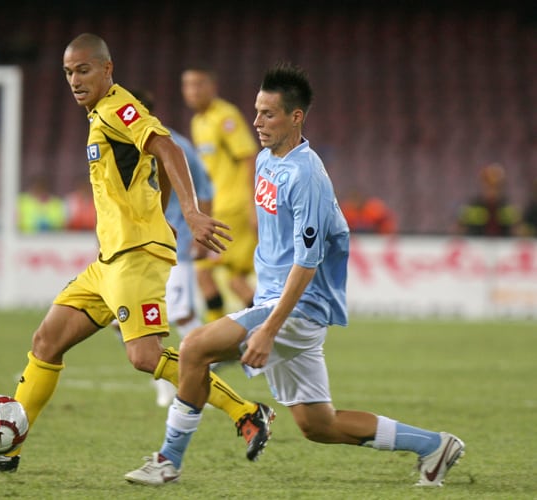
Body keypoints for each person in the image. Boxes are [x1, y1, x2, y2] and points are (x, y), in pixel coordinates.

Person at [125, 63, 465, 488]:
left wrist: (268, 328)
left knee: (193, 347)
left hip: (296, 307)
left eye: (269, 114)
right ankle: (434, 445)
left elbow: (308, 261)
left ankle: (168, 461)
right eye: (256, 111)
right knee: (318, 424)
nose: (257, 122)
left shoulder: (306, 175)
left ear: (296, 117)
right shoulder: (268, 159)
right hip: (277, 300)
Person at [0, 33, 275, 473]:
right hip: (109, 261)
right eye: (68, 72)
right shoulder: (98, 115)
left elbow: (167, 146)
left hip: (135, 257)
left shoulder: (120, 108)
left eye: (83, 70)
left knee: (144, 355)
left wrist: (192, 214)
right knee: (47, 341)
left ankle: (246, 412)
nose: (74, 80)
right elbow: (150, 167)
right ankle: (8, 448)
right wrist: (155, 214)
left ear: (107, 69)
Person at [131, 88, 214, 407]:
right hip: (134, 248)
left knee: (180, 315)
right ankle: (168, 383)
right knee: (122, 318)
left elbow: (205, 187)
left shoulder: (176, 145)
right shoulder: (118, 145)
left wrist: (199, 229)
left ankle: (207, 368)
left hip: (173, 246)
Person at [181, 64, 259, 322]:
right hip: (214, 210)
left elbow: (249, 157)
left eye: (198, 84)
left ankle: (269, 330)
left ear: (212, 87)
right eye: (187, 85)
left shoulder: (226, 116)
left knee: (232, 277)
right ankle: (220, 338)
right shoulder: (198, 121)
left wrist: (254, 206)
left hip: (234, 208)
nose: (192, 91)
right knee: (206, 271)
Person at [456, 163, 520, 237]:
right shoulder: (472, 208)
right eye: (488, 186)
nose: (492, 191)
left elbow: (517, 231)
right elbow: (459, 229)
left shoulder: (508, 209)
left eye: (496, 187)